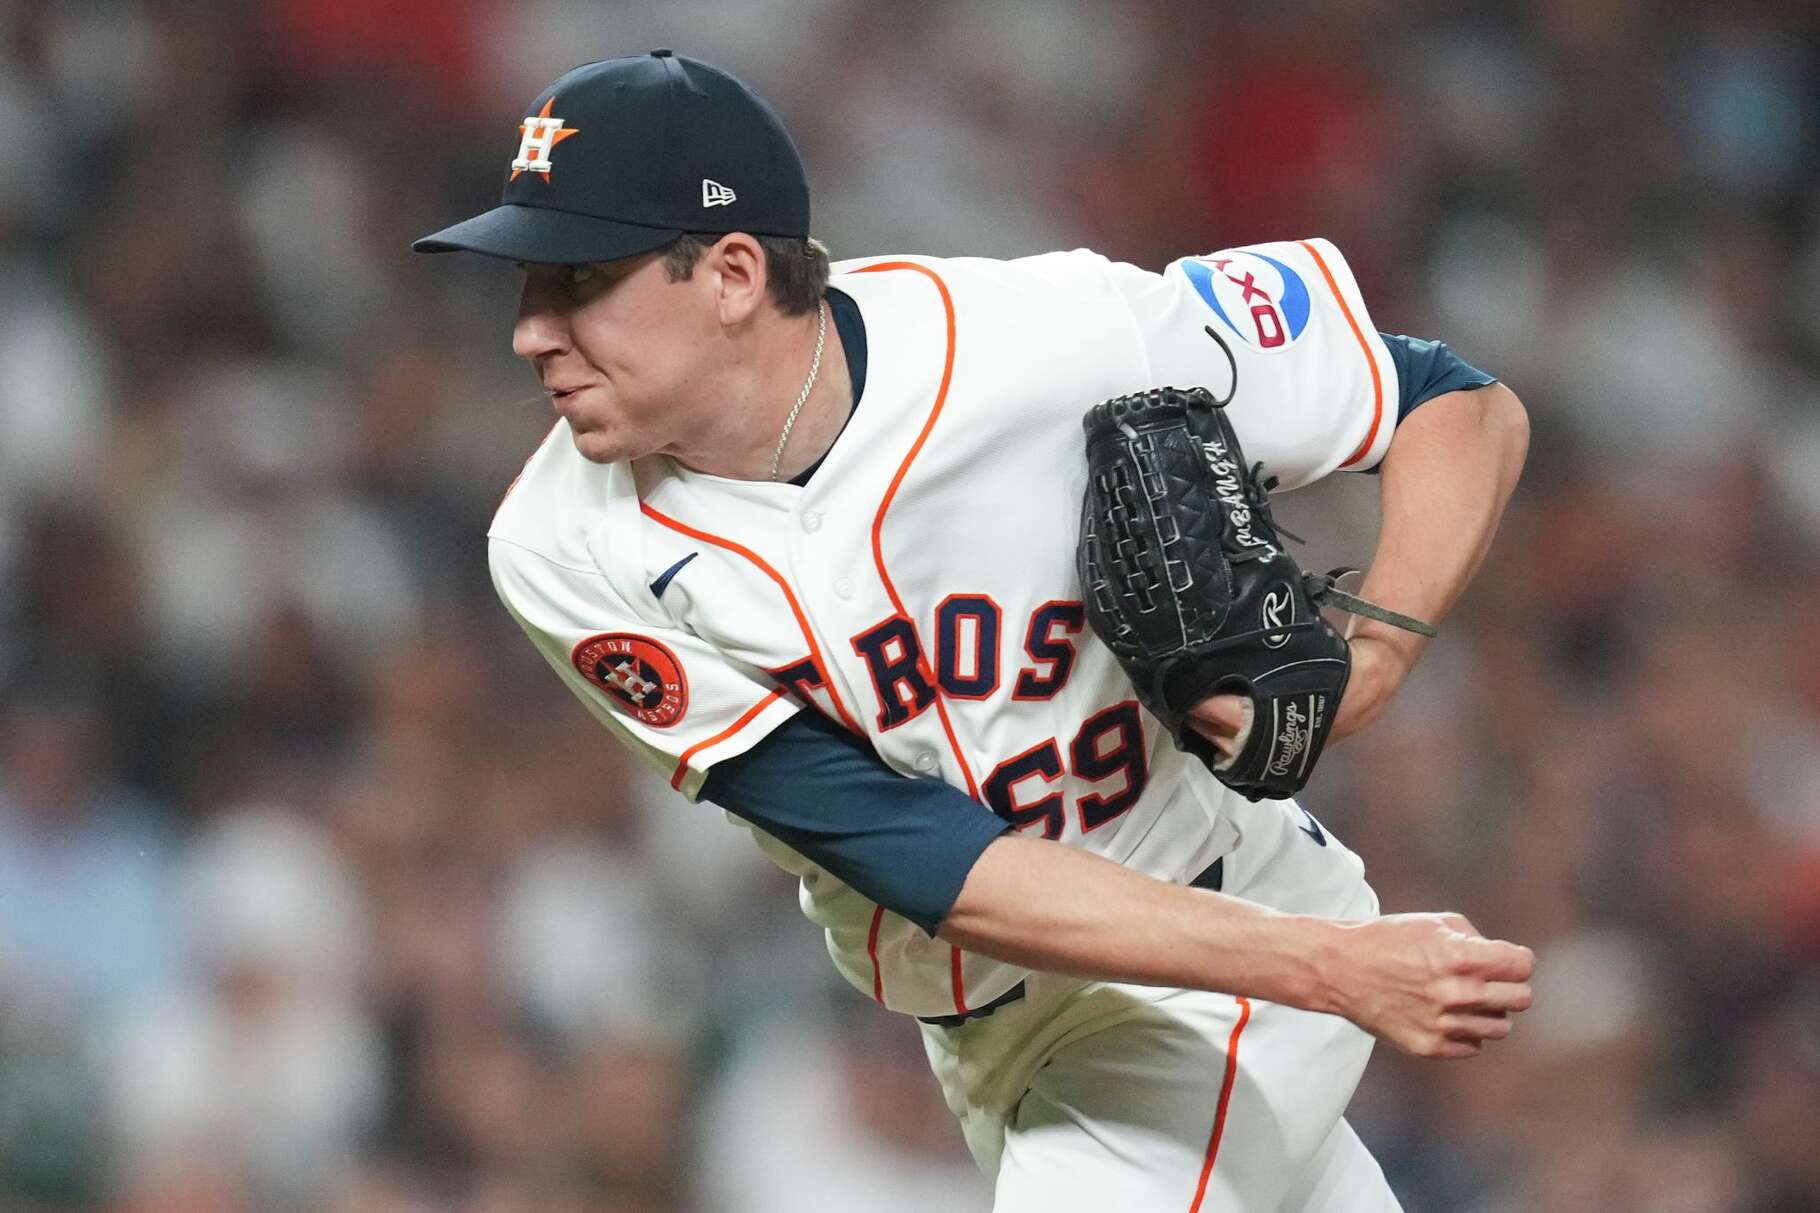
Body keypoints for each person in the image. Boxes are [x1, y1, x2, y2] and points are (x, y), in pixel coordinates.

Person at [414, 49, 1534, 1212]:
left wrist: (1374, 659)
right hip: (1006, 1031)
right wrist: (1333, 968)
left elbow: (1448, 401)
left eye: (577, 280)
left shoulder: (1045, 340)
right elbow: (918, 854)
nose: (530, 332)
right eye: (526, 285)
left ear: (733, 273)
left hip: (1224, 949)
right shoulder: (564, 549)